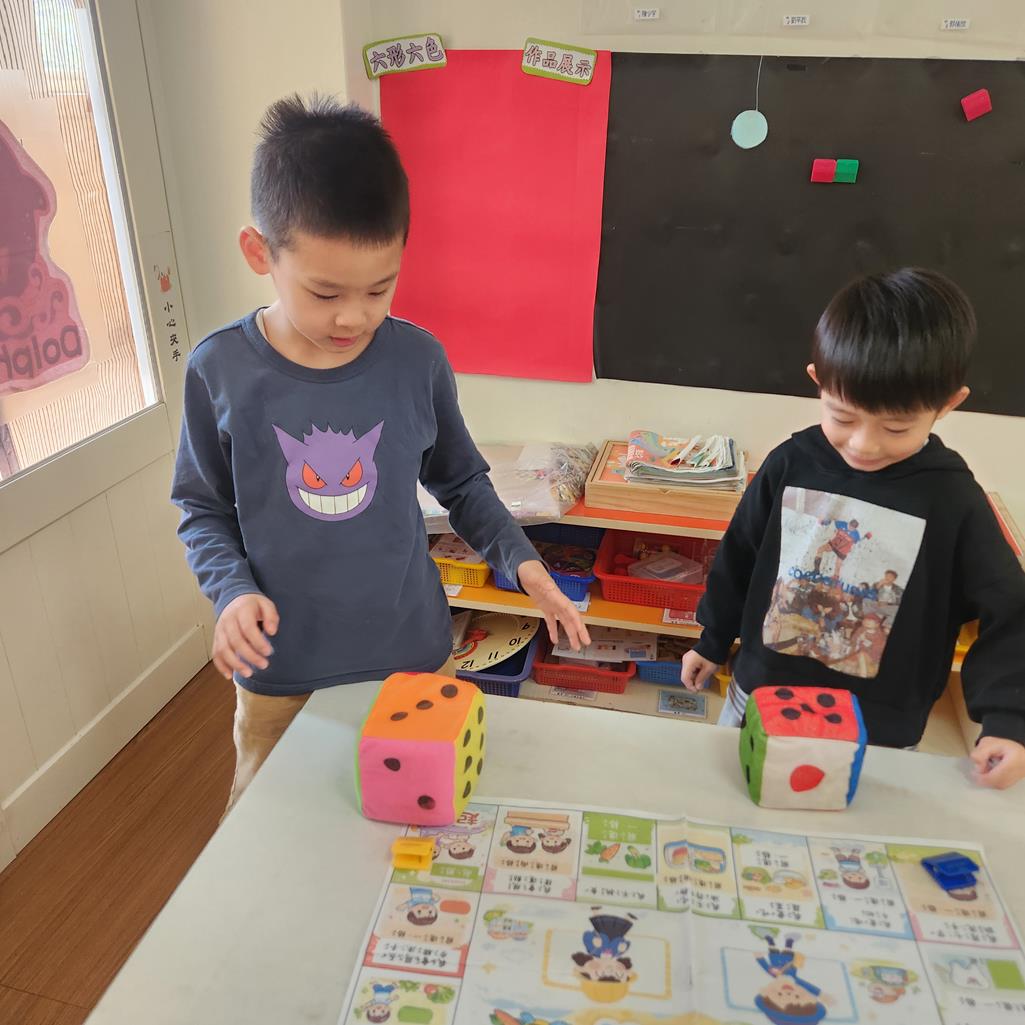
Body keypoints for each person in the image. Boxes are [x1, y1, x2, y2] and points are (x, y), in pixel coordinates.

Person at [171, 95, 588, 811]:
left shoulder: (416, 360)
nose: (354, 316)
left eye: (379, 287)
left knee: (417, 821)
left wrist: (525, 566)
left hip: (409, 655)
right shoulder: (220, 370)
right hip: (281, 669)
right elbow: (201, 507)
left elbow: (463, 482)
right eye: (324, 291)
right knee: (275, 822)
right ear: (259, 252)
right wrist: (231, 591)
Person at [680, 268, 1025, 789]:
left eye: (896, 427)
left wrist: (1007, 720)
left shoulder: (951, 497)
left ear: (948, 404)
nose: (864, 444)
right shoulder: (791, 462)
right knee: (735, 799)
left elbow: (1011, 610)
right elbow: (740, 556)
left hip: (878, 726)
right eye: (843, 417)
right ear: (818, 381)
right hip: (763, 696)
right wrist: (712, 639)